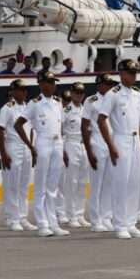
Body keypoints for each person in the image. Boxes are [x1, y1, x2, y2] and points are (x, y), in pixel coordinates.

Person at [97, 60, 140, 240]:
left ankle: (131, 222)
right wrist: (110, 145)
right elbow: (101, 120)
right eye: (130, 72)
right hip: (120, 139)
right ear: (121, 73)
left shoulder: (137, 94)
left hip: (135, 141)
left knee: (135, 183)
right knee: (120, 184)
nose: (133, 76)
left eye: (135, 73)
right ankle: (119, 224)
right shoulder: (113, 94)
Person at [14, 71, 69, 237]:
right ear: (41, 84)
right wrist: (30, 145)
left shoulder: (58, 103)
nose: (53, 85)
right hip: (43, 142)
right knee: (41, 186)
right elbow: (18, 124)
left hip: (57, 143)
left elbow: (59, 127)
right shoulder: (34, 104)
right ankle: (42, 223)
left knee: (53, 186)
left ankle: (53, 223)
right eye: (49, 82)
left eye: (53, 82)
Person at [0, 79, 34, 232]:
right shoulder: (7, 108)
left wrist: (32, 148)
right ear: (13, 91)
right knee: (12, 185)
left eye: (25, 89)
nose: (24, 92)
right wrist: (3, 154)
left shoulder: (28, 107)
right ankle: (12, 218)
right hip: (12, 146)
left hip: (26, 148)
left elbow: (31, 129)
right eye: (20, 89)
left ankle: (23, 217)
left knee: (24, 185)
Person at [82, 73, 116, 232]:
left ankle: (106, 217)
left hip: (112, 142)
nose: (109, 87)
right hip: (97, 142)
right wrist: (89, 150)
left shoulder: (113, 98)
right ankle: (96, 220)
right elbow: (84, 126)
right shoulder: (91, 101)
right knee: (97, 184)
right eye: (106, 84)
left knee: (109, 182)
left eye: (110, 84)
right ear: (99, 85)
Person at [62, 83, 90, 227]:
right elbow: (59, 131)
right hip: (71, 144)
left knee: (82, 182)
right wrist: (63, 151)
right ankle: (71, 215)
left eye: (81, 92)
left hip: (84, 145)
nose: (79, 95)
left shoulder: (85, 110)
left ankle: (80, 214)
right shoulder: (66, 110)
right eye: (76, 92)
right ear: (71, 93)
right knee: (71, 182)